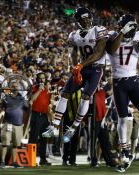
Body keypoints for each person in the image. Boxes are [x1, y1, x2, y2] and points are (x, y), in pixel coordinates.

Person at [45, 7, 108, 143]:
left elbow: (98, 53)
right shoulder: (74, 35)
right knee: (64, 93)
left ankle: (73, 127)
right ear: (78, 21)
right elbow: (74, 53)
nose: (85, 21)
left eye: (87, 18)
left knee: (85, 97)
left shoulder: (99, 30)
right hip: (83, 68)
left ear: (91, 18)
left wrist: (80, 65)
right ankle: (55, 126)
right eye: (82, 19)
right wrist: (76, 68)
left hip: (95, 69)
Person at [106, 13, 139, 172]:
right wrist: (122, 32)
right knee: (122, 118)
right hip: (118, 82)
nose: (133, 31)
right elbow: (112, 49)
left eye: (134, 28)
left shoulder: (138, 36)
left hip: (133, 81)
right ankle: (126, 151)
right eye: (130, 27)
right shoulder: (113, 36)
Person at [0, 81, 29, 169]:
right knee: (5, 144)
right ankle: (2, 161)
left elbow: (27, 108)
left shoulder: (22, 98)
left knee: (16, 144)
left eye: (16, 85)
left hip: (18, 124)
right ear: (10, 87)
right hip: (8, 123)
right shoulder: (6, 97)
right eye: (13, 85)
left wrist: (29, 101)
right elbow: (0, 108)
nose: (15, 87)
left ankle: (14, 161)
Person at [28, 72, 53, 165]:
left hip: (44, 116)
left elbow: (48, 103)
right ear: (37, 79)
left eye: (43, 78)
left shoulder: (47, 90)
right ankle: (31, 159)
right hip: (36, 115)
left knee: (44, 138)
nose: (42, 80)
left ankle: (43, 159)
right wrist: (39, 90)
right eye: (40, 78)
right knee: (34, 138)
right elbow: (32, 100)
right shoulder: (34, 88)